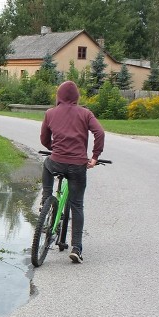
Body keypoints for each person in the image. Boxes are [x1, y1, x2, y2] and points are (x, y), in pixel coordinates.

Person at [40, 80, 105, 264]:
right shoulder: (85, 113)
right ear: (77, 97)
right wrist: (94, 156)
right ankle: (76, 248)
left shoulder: (50, 113)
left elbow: (44, 138)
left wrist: (54, 148)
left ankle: (46, 198)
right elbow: (99, 133)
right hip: (77, 166)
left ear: (58, 96)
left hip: (56, 162)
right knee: (77, 205)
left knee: (46, 164)